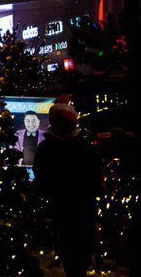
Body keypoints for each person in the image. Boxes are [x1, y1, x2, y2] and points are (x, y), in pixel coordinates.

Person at [34, 98, 101, 277]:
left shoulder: (85, 146)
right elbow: (41, 173)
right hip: (60, 204)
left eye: (65, 122)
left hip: (82, 205)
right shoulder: (47, 147)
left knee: (82, 246)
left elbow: (95, 175)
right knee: (66, 245)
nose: (61, 126)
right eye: (58, 122)